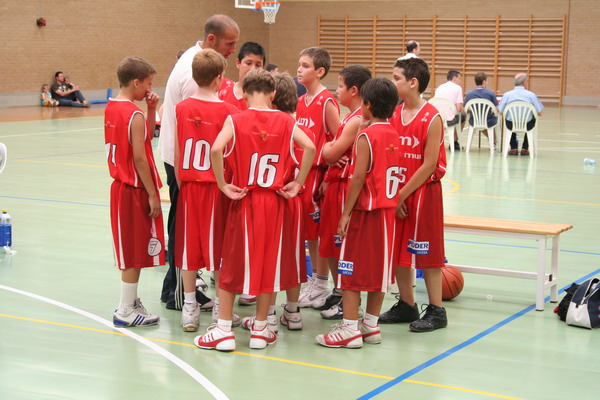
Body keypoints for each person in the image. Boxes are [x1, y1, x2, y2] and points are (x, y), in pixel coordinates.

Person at [194, 69, 316, 351]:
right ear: (273, 94)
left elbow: (215, 150)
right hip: (275, 202)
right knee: (268, 267)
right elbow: (310, 146)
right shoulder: (286, 120)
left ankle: (224, 329)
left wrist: (223, 184)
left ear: (245, 93)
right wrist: (298, 183)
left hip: (245, 199)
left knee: (232, 264)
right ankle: (261, 329)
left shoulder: (235, 119)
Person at [158, 14, 239, 313]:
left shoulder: (195, 60)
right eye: (230, 44)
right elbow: (203, 133)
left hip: (187, 166)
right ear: (213, 39)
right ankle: (180, 294)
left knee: (187, 230)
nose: (233, 49)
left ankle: (181, 292)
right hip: (194, 171)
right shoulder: (197, 81)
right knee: (189, 233)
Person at [316, 77, 401, 348]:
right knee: (379, 275)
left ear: (368, 105)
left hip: (365, 212)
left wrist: (345, 214)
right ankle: (371, 326)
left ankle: (349, 329)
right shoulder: (395, 135)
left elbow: (358, 179)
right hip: (388, 216)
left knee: (349, 271)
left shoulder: (366, 136)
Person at [240, 71, 315, 333]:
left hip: (276, 198)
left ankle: (268, 315)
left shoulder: (275, 128)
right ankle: (293, 312)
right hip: (296, 197)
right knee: (293, 256)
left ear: (273, 98)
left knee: (270, 257)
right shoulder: (297, 126)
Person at [173, 49, 241, 332]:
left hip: (189, 188)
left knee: (189, 250)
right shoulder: (229, 111)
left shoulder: (181, 108)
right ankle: (218, 311)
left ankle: (190, 308)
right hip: (216, 188)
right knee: (218, 251)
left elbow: (178, 156)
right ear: (219, 78)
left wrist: (183, 186)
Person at [382, 57, 448, 333]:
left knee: (427, 253)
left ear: (413, 82)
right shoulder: (393, 114)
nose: (392, 82)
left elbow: (429, 164)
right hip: (396, 192)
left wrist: (402, 195)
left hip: (423, 193)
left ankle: (437, 310)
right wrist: (393, 195)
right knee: (399, 250)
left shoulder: (432, 117)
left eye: (397, 78)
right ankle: (407, 304)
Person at [104, 56, 165, 327]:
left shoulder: (112, 107)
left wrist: (152, 110)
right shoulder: (133, 113)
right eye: (148, 84)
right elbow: (141, 158)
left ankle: (130, 302)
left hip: (120, 188)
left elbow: (143, 138)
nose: (149, 90)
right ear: (136, 82)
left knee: (135, 248)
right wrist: (152, 193)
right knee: (132, 251)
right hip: (134, 188)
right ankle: (125, 310)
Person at [317, 65, 372, 319]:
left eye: (339, 86)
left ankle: (348, 298)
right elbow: (330, 154)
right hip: (334, 186)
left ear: (354, 90)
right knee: (328, 244)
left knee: (341, 247)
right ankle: (340, 291)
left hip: (344, 188)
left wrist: (329, 149)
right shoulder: (349, 116)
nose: (335, 90)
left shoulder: (358, 119)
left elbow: (330, 153)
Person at [295, 46, 340, 309]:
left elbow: (339, 143)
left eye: (305, 65)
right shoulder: (302, 102)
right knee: (310, 234)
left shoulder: (327, 102)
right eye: (299, 64)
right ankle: (316, 281)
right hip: (304, 173)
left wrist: (328, 177)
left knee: (321, 234)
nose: (299, 69)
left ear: (320, 71)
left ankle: (322, 283)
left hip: (320, 176)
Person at [498, 73, 544, 156]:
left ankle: (513, 148)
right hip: (527, 125)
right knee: (532, 119)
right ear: (524, 83)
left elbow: (500, 111)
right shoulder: (531, 95)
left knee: (509, 119)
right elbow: (539, 112)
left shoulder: (507, 95)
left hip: (511, 125)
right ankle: (525, 148)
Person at [219, 42, 266, 112]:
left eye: (258, 65)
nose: (252, 69)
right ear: (238, 63)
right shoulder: (222, 91)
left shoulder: (266, 98)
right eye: (248, 63)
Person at [434, 70, 465, 150]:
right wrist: (462, 108)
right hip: (449, 120)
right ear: (454, 78)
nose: (460, 81)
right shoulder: (458, 88)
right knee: (463, 116)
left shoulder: (439, 87)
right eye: (459, 78)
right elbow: (458, 109)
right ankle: (454, 142)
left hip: (438, 118)